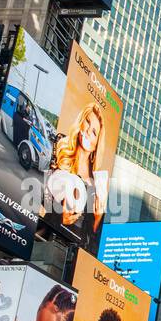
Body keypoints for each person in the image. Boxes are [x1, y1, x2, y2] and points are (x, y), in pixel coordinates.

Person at [42, 102, 109, 250]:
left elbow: (93, 241)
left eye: (94, 132)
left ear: (97, 143)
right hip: (45, 241)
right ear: (81, 121)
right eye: (87, 121)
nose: (87, 131)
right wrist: (60, 218)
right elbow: (42, 202)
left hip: (73, 254)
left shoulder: (98, 184)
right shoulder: (61, 150)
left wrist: (98, 218)